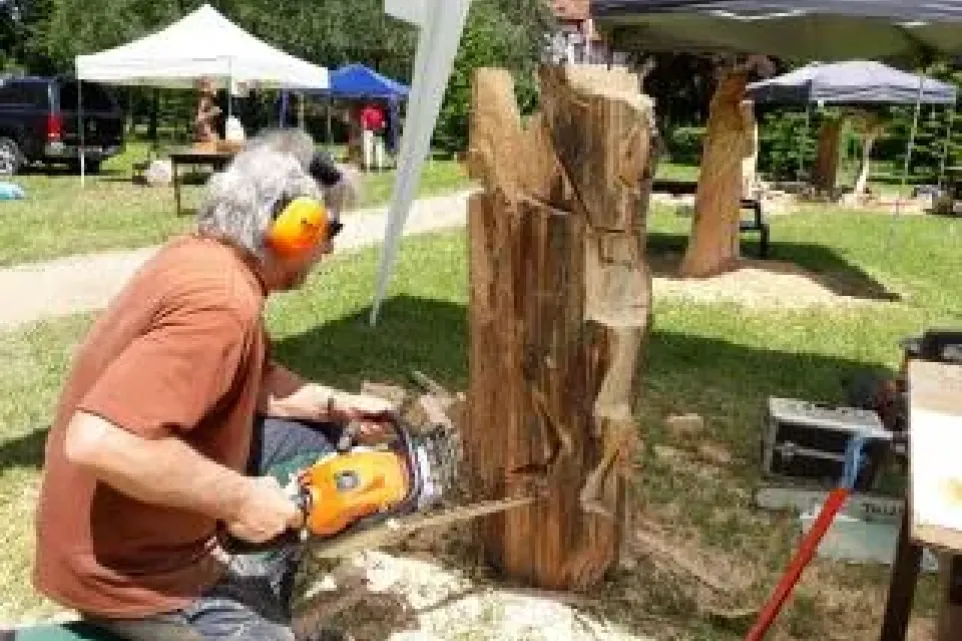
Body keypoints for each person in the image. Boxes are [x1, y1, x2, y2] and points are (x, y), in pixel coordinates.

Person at [32, 130, 391, 641]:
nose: (329, 250)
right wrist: (242, 500)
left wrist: (336, 405)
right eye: (329, 230)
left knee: (316, 443)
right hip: (129, 574)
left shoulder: (204, 258)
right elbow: (99, 441)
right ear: (294, 229)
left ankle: (246, 579)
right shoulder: (221, 302)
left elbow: (253, 379)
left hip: (127, 530)